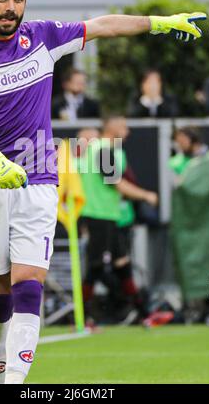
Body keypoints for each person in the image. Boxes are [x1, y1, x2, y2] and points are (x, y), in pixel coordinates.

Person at [0, 0, 206, 384]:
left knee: (28, 282)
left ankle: (14, 382)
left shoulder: (43, 37)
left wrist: (159, 23)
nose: (10, 8)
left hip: (40, 179)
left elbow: (103, 26)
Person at [77, 116, 157, 323]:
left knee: (122, 264)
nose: (128, 131)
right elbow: (117, 184)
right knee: (95, 267)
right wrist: (146, 195)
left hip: (109, 215)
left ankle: (144, 313)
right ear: (111, 128)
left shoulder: (106, 149)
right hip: (98, 215)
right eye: (123, 126)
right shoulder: (102, 149)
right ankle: (82, 317)